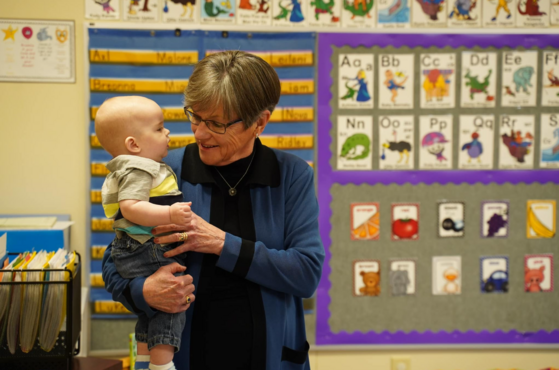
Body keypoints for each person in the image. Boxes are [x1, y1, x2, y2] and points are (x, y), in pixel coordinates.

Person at [102, 50, 324, 370]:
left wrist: (221, 243)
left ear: (259, 122)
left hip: (271, 357)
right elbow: (116, 260)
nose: (199, 132)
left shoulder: (290, 175)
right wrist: (144, 291)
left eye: (216, 124)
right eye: (195, 116)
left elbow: (305, 273)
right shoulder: (164, 172)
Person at [95, 96, 194, 370]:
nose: (168, 133)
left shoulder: (128, 168)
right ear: (133, 144)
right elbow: (131, 207)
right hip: (148, 247)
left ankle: (144, 358)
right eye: (160, 128)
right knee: (173, 303)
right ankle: (162, 366)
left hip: (131, 247)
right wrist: (170, 214)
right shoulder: (139, 168)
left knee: (149, 312)